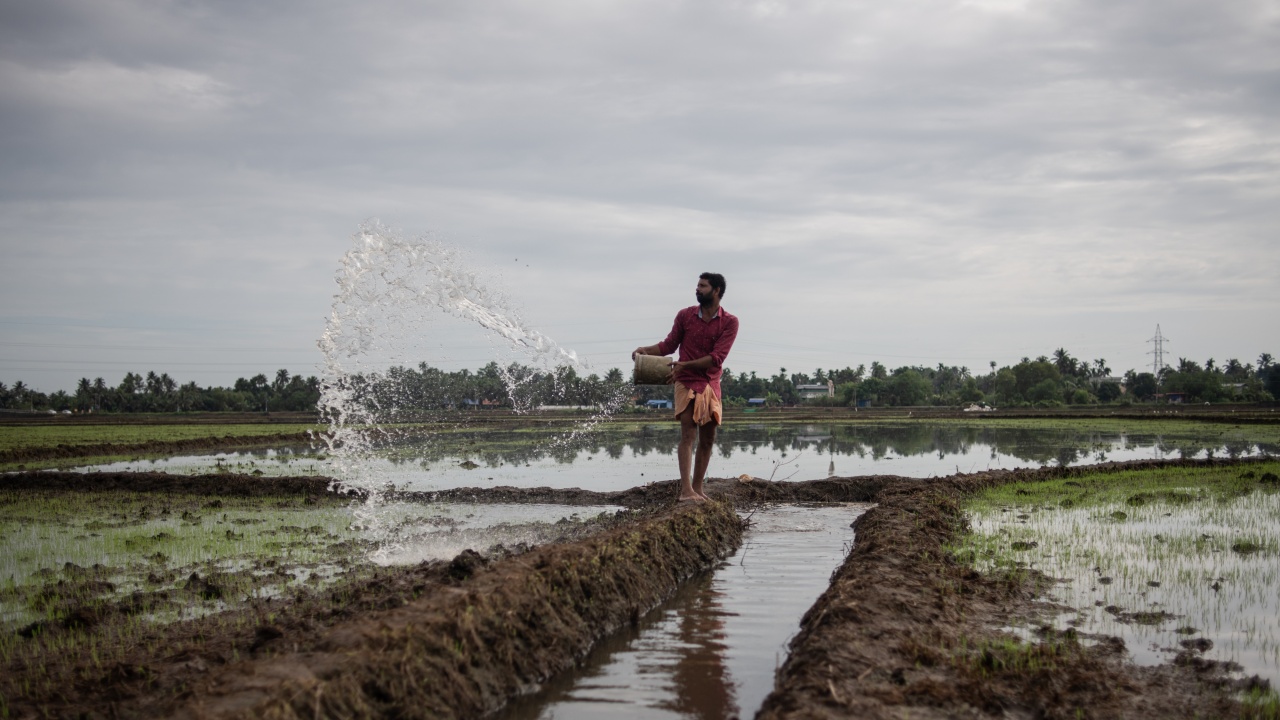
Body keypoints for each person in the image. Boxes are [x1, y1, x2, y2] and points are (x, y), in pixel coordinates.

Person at [633, 272, 739, 502]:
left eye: (703, 286)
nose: (697, 289)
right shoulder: (685, 315)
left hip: (710, 382)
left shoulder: (729, 322)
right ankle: (686, 491)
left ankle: (698, 488)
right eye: (697, 285)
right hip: (686, 380)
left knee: (708, 438)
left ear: (717, 290)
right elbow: (669, 344)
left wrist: (684, 365)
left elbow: (716, 357)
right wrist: (645, 350)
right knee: (688, 434)